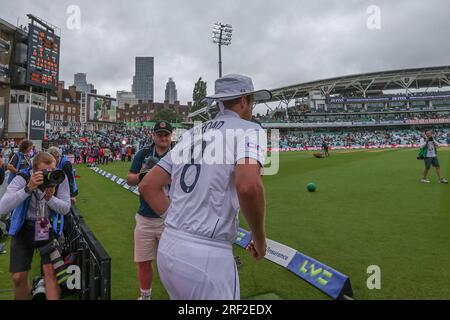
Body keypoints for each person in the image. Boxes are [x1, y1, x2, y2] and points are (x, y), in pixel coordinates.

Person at [140, 74, 270, 300]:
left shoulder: (190, 134)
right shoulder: (249, 129)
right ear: (243, 101)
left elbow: (149, 185)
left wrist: (180, 219)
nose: (252, 107)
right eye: (252, 101)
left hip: (169, 246)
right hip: (208, 256)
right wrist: (259, 239)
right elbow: (248, 185)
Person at [0, 152, 71, 300]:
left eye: (52, 170)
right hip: (23, 225)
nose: (49, 176)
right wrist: (28, 188)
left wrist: (50, 198)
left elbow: (65, 208)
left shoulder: (59, 177)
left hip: (44, 224)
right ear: (34, 170)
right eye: (45, 172)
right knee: (18, 277)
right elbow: (2, 208)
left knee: (50, 271)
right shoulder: (23, 178)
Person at [126, 120, 174, 300]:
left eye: (166, 134)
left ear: (171, 136)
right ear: (153, 135)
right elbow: (129, 178)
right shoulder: (144, 153)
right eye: (160, 134)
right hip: (145, 216)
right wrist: (143, 175)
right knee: (143, 262)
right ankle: (145, 296)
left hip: (170, 218)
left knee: (171, 264)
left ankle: (175, 295)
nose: (163, 138)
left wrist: (162, 178)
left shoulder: (179, 154)